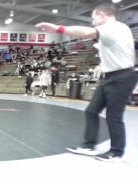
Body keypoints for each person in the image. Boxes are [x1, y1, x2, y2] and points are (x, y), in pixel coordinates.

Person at [36, 3, 138, 162]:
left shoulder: (115, 27)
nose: (92, 21)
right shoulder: (110, 32)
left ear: (103, 15)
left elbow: (87, 33)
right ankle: (89, 145)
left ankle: (116, 152)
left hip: (122, 77)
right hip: (109, 76)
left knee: (113, 116)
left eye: (94, 17)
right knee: (91, 111)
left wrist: (58, 29)